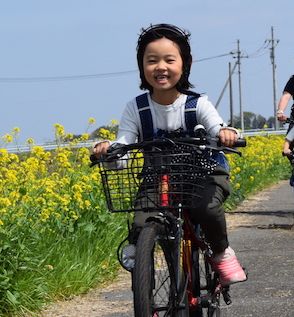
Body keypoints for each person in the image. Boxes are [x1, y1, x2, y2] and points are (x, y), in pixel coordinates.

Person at [92, 23, 247, 286]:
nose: (160, 67)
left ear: (185, 64)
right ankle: (142, 256)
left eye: (169, 60)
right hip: (158, 177)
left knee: (206, 209)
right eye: (151, 60)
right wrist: (109, 151)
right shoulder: (136, 109)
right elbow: (124, 147)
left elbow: (216, 127)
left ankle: (221, 253)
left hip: (204, 174)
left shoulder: (197, 104)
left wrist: (225, 134)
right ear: (142, 66)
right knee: (142, 221)